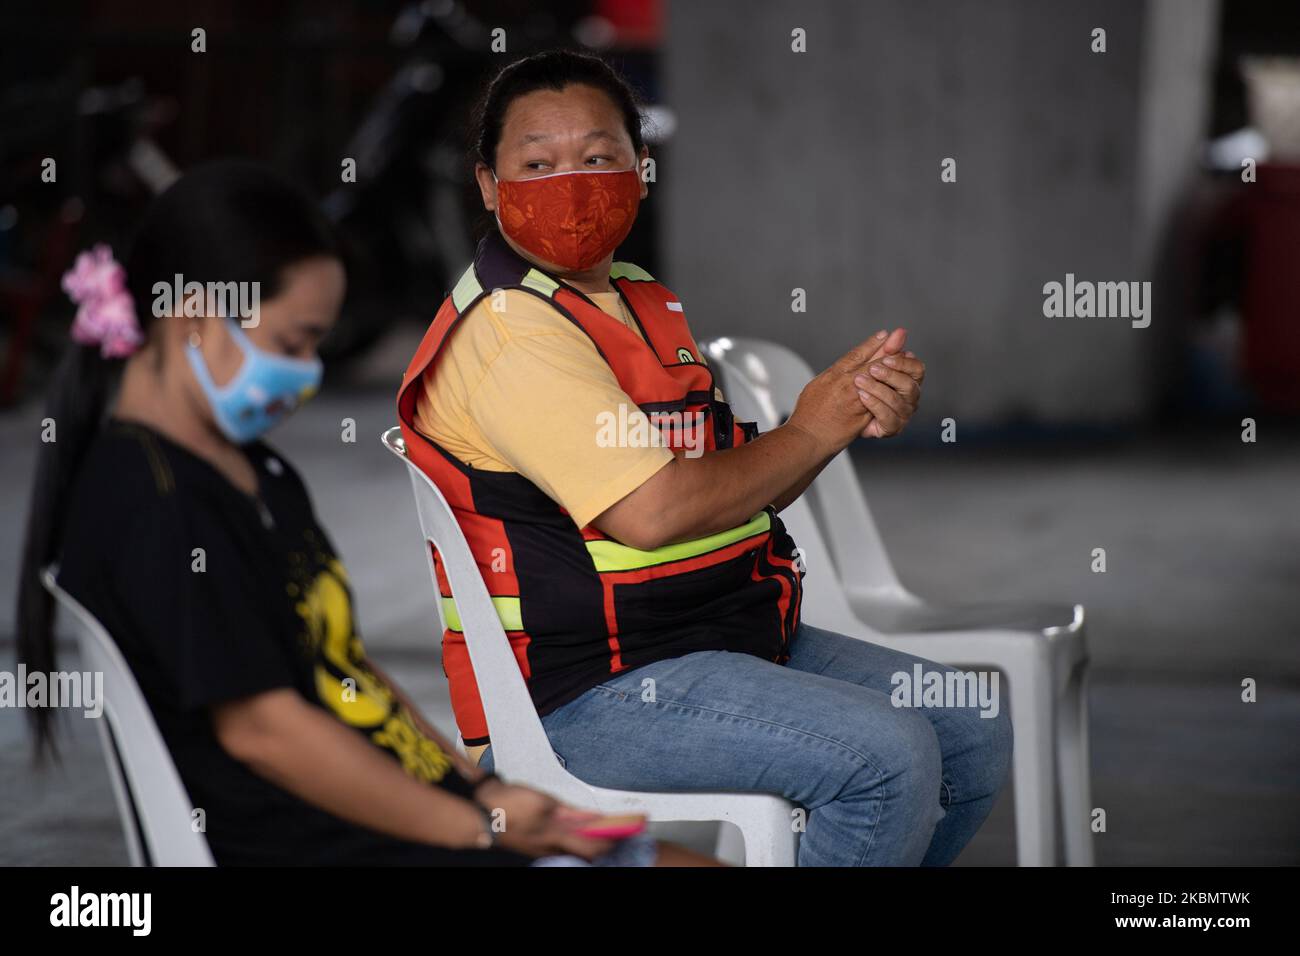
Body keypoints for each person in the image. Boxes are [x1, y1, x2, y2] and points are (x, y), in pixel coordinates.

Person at [398, 50, 1014, 866]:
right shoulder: (514, 332)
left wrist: (833, 414)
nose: (571, 184)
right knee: (886, 756)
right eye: (536, 164)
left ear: (641, 169)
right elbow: (652, 513)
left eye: (599, 156)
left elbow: (726, 491)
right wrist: (809, 432)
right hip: (586, 689)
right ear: (487, 185)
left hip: (714, 635)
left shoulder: (635, 298)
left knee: (968, 725)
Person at [15, 159, 715, 867]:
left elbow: (344, 670)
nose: (309, 372)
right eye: (292, 343)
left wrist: (481, 790)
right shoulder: (153, 499)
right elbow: (265, 731)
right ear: (194, 316)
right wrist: (474, 827)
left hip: (409, 822)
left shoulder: (252, 470)